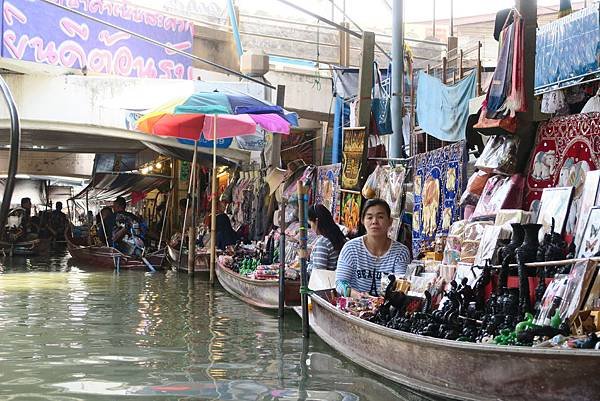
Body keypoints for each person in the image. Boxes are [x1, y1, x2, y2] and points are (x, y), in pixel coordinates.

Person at [335, 198, 410, 298]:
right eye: (369, 217)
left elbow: (401, 286)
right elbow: (340, 283)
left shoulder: (401, 252)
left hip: (386, 309)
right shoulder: (351, 248)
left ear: (390, 221)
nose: (374, 221)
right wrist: (358, 295)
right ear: (362, 221)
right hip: (354, 307)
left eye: (380, 217)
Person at [306, 204, 346, 275]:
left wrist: (305, 264)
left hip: (325, 284)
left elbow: (319, 273)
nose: (311, 227)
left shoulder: (323, 243)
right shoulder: (338, 236)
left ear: (317, 221)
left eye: (311, 223)